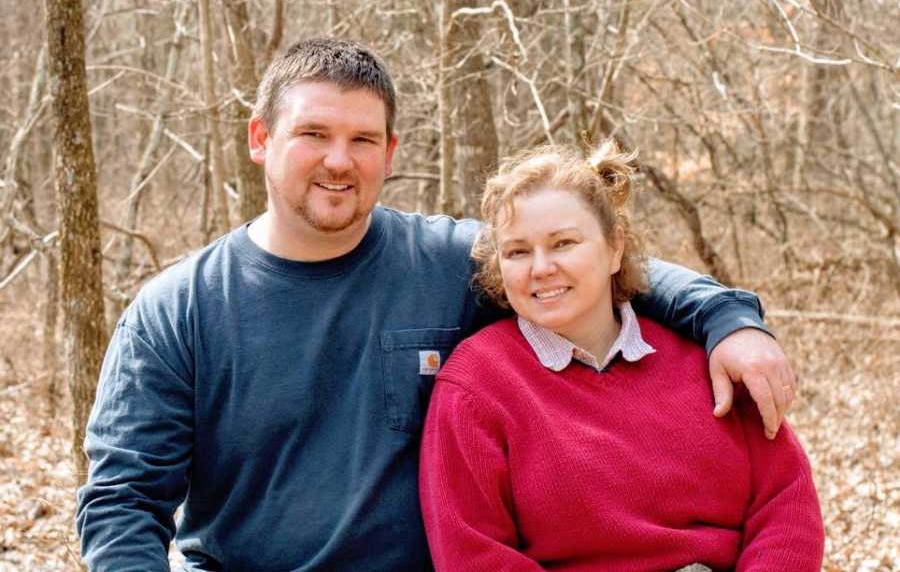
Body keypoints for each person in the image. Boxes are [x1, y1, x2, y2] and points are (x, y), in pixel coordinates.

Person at [76, 39, 798, 571]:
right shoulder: (177, 311)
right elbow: (121, 503)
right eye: (314, 134)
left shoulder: (453, 262)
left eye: (363, 139)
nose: (339, 159)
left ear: (390, 152)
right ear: (260, 139)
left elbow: (590, 266)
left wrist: (728, 319)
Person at [419, 143, 824, 571]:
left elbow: (785, 498)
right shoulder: (475, 386)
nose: (541, 268)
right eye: (518, 251)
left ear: (615, 248)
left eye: (563, 243)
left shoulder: (706, 357)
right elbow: (474, 554)